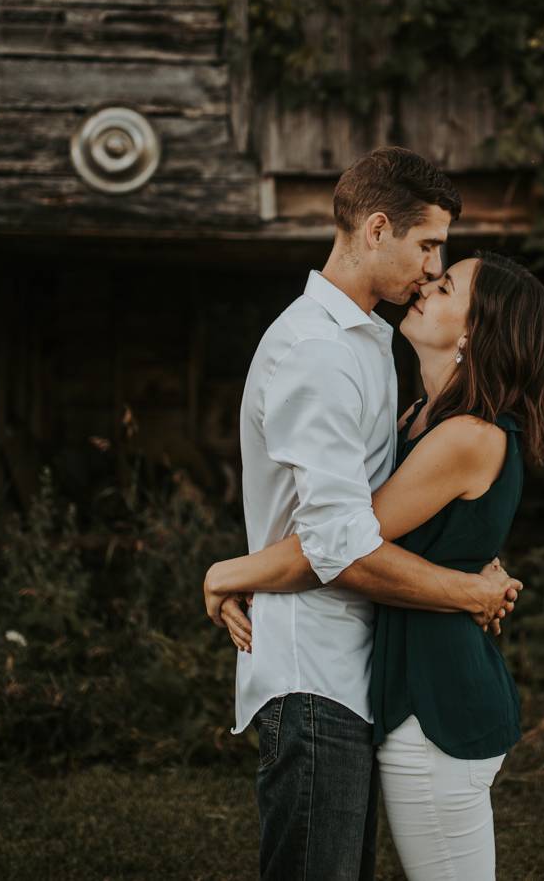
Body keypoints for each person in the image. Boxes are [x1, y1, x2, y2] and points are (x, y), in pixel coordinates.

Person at [203, 146, 525, 881]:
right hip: (313, 673)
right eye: (428, 245)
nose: (433, 266)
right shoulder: (318, 352)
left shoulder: (367, 343)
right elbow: (343, 549)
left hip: (357, 675)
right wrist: (470, 590)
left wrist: (239, 567)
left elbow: (380, 514)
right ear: (378, 228)